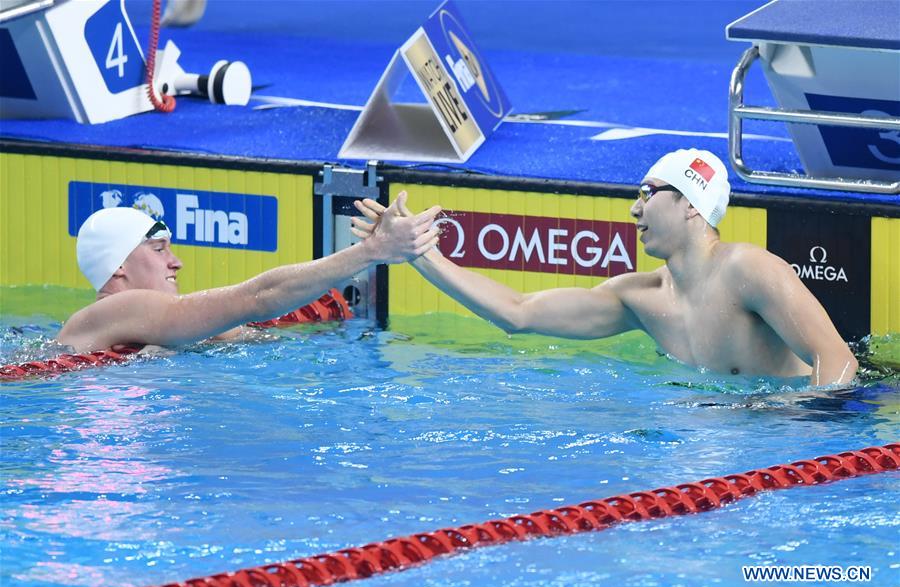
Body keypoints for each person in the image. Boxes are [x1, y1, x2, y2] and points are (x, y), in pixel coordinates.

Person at [351, 150, 858, 386]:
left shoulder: (748, 268)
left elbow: (837, 362)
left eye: (646, 194)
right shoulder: (640, 299)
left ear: (690, 205)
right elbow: (518, 312)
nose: (634, 209)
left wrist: (801, 446)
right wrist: (421, 254)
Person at [58, 196, 441, 353]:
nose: (176, 263)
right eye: (159, 250)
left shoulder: (147, 325)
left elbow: (255, 335)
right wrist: (371, 252)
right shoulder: (119, 308)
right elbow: (255, 299)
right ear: (119, 266)